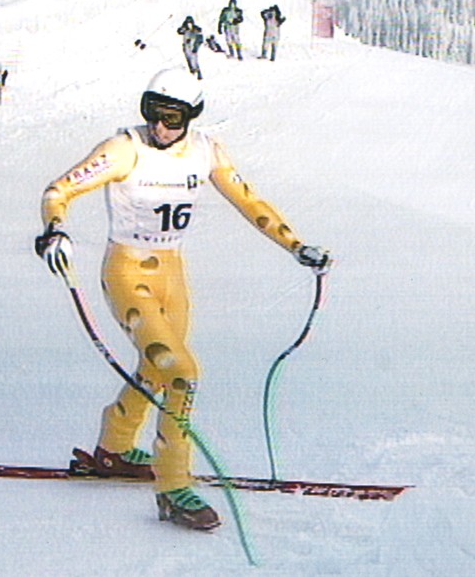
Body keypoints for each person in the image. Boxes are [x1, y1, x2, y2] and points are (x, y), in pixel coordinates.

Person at [35, 67, 331, 531]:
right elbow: (60, 189)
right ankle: (173, 486)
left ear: (192, 117)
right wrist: (55, 230)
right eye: (152, 114)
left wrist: (296, 246)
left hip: (173, 274)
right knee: (183, 373)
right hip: (127, 272)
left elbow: (249, 201)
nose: (160, 128)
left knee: (157, 366)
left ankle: (113, 447)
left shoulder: (205, 150)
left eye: (172, 118)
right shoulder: (124, 149)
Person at [177, 16, 204, 80]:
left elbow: (200, 38)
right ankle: (192, 71)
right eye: (187, 23)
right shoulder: (185, 29)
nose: (189, 25)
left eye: (190, 23)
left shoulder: (195, 29)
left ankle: (198, 72)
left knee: (194, 59)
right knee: (188, 59)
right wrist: (183, 27)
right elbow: (179, 31)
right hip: (186, 46)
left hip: (193, 46)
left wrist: (196, 47)